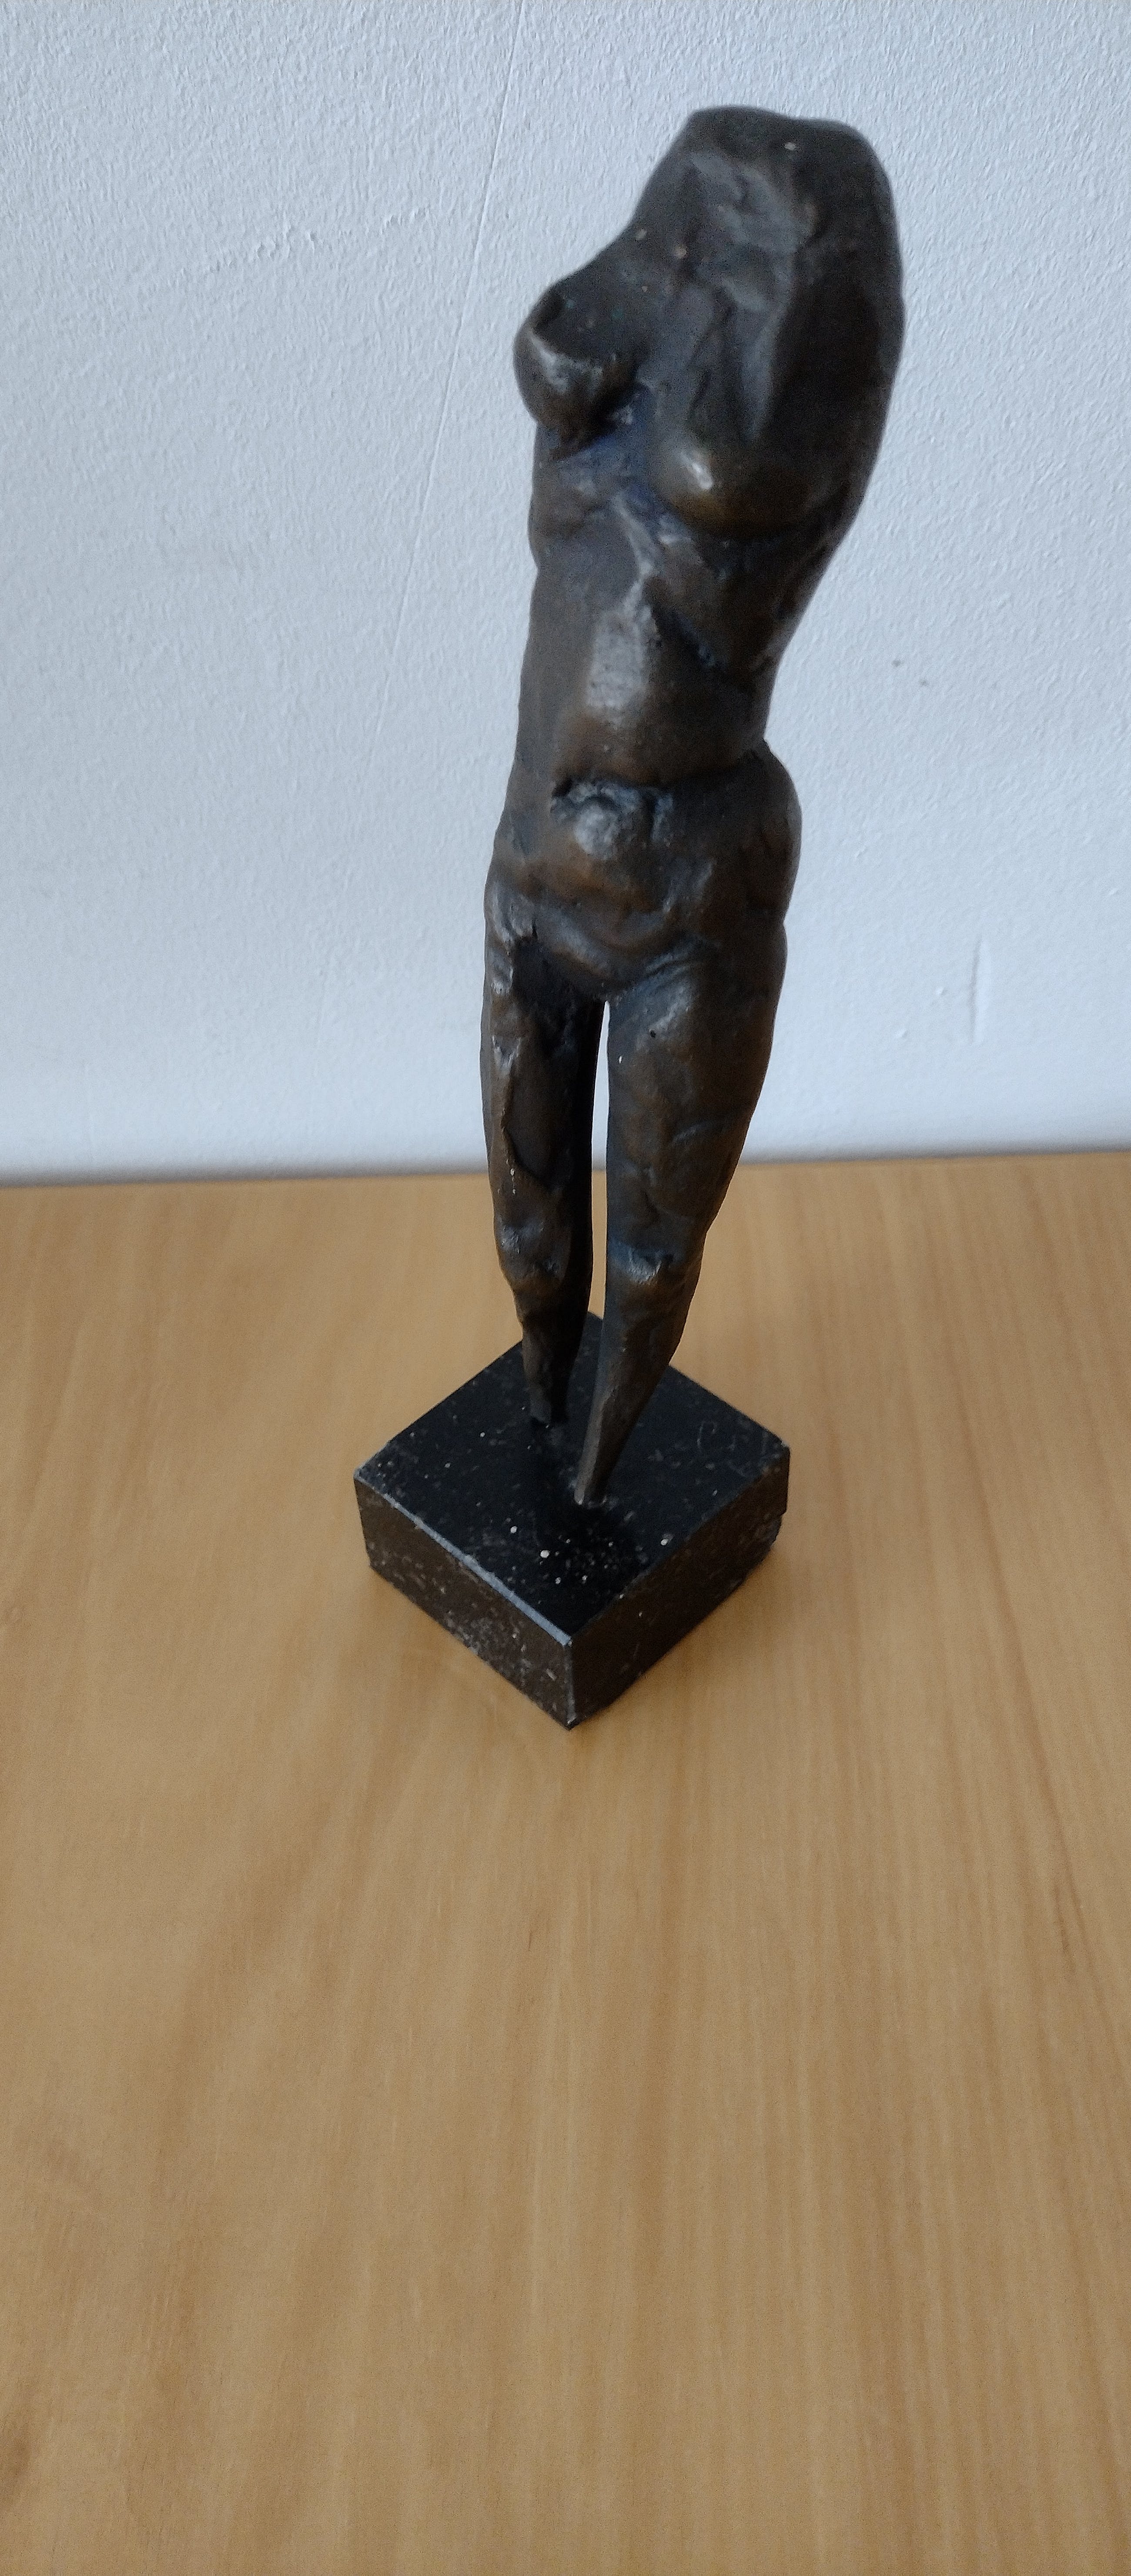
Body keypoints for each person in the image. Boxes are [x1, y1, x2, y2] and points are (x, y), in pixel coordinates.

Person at [482, 107, 903, 1503]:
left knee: (654, 1247)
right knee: (528, 1221)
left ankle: (599, 1475)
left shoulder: (808, 372)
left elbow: (739, 477)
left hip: (692, 875)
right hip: (537, 846)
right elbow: (564, 346)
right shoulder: (658, 265)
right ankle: (551, 1431)